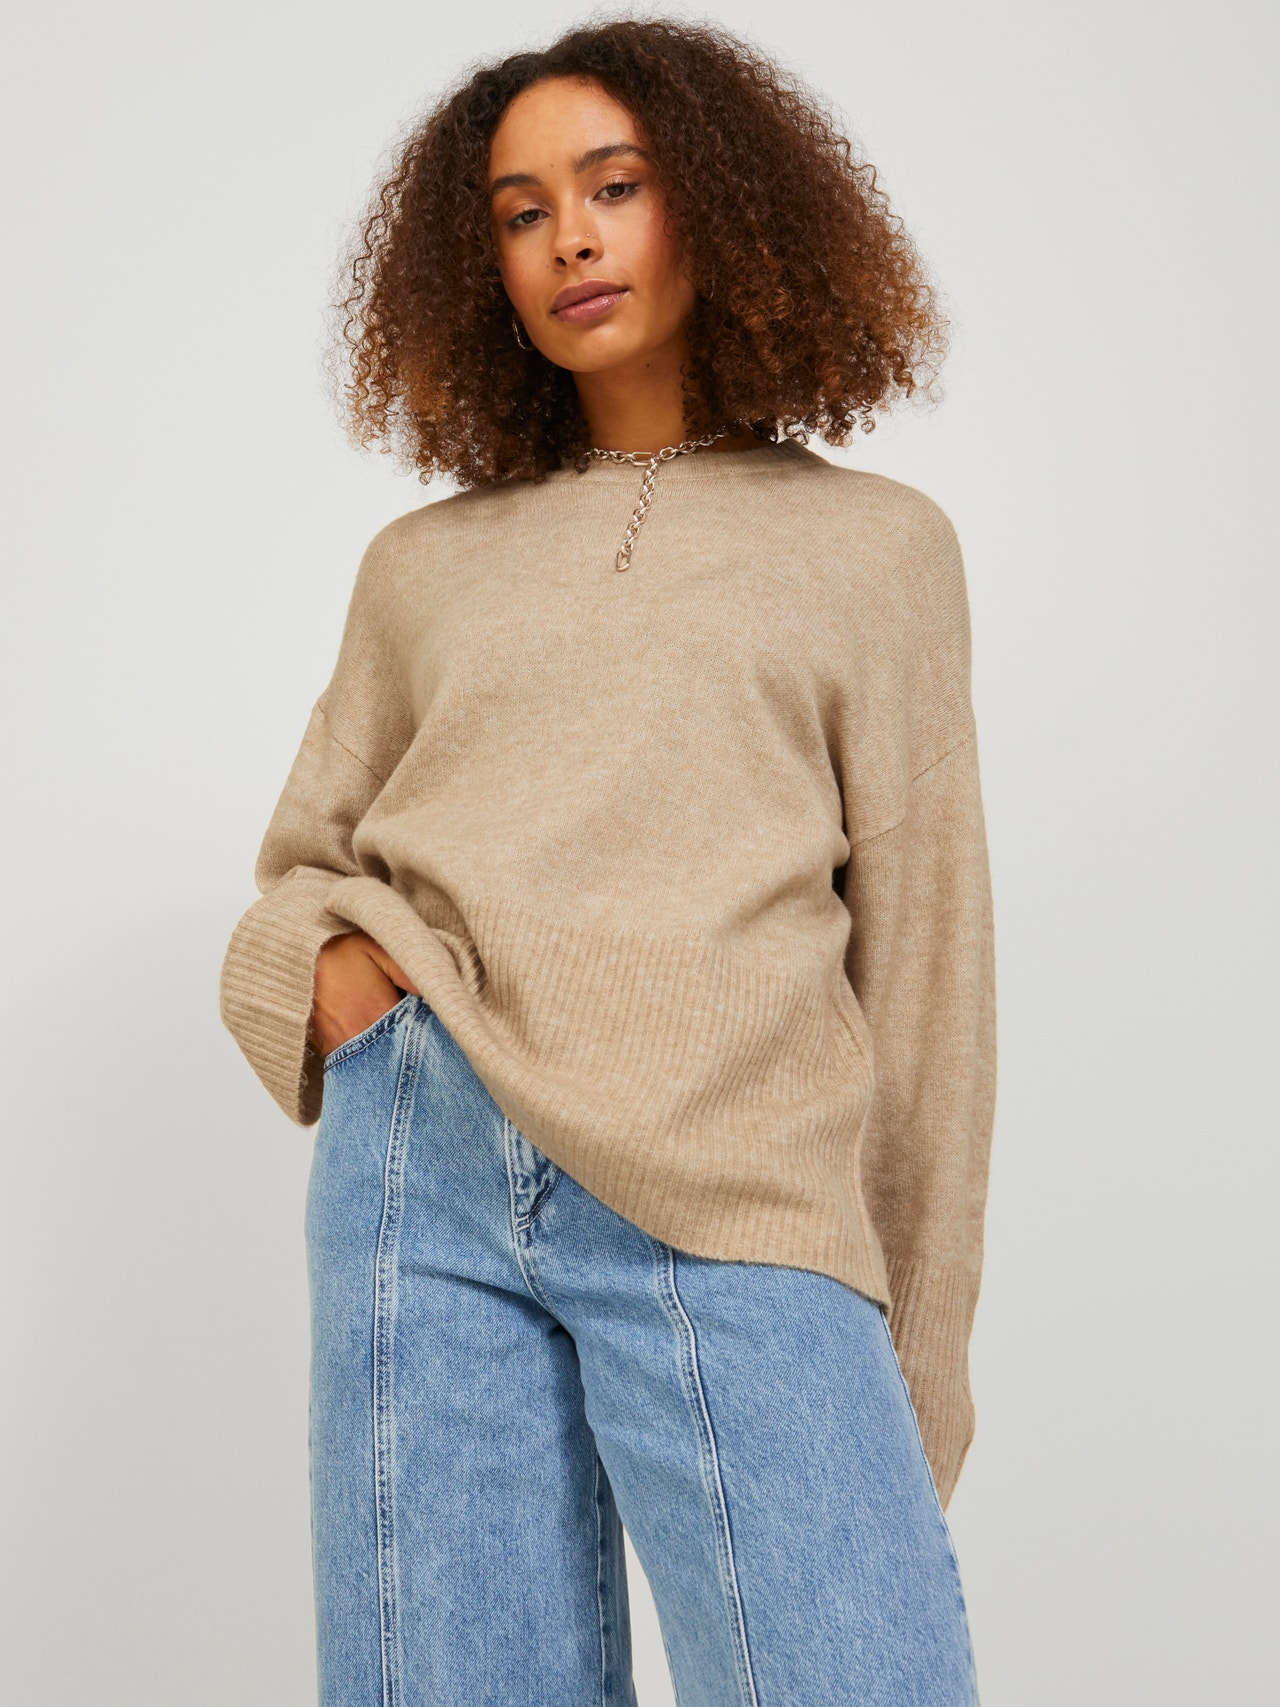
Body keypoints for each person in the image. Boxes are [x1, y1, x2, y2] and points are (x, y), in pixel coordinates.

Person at [219, 17, 996, 1706]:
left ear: (719, 201)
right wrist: (343, 990)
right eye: (521, 212)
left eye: (615, 187)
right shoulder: (422, 566)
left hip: (732, 1185)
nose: (569, 239)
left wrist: (916, 1364)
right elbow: (298, 869)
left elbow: (930, 965)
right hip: (423, 1170)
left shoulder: (877, 551)